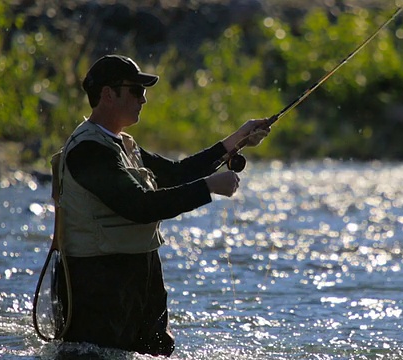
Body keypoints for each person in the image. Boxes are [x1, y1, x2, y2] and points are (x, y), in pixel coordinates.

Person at [53, 54, 269, 356]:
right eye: (136, 91)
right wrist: (209, 188)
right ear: (108, 94)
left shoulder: (123, 144)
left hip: (139, 276)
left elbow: (176, 174)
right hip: (98, 285)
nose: (144, 100)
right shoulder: (88, 151)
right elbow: (140, 206)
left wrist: (234, 141)